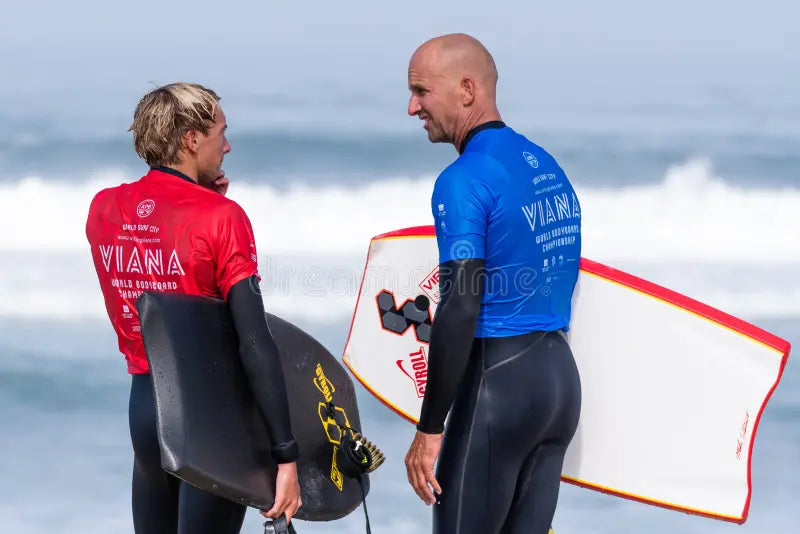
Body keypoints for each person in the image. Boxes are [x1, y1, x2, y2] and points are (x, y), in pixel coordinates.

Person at [85, 82, 302, 533]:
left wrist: (207, 199)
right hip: (211, 419)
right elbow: (252, 341)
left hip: (145, 412)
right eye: (220, 132)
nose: (227, 145)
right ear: (191, 139)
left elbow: (166, 276)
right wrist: (286, 454)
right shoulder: (223, 219)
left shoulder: (104, 209)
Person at [403, 34, 583, 534]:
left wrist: (429, 428)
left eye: (421, 91)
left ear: (466, 89)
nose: (412, 106)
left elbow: (460, 305)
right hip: (558, 385)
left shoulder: (463, 179)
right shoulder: (546, 166)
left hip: (498, 388)